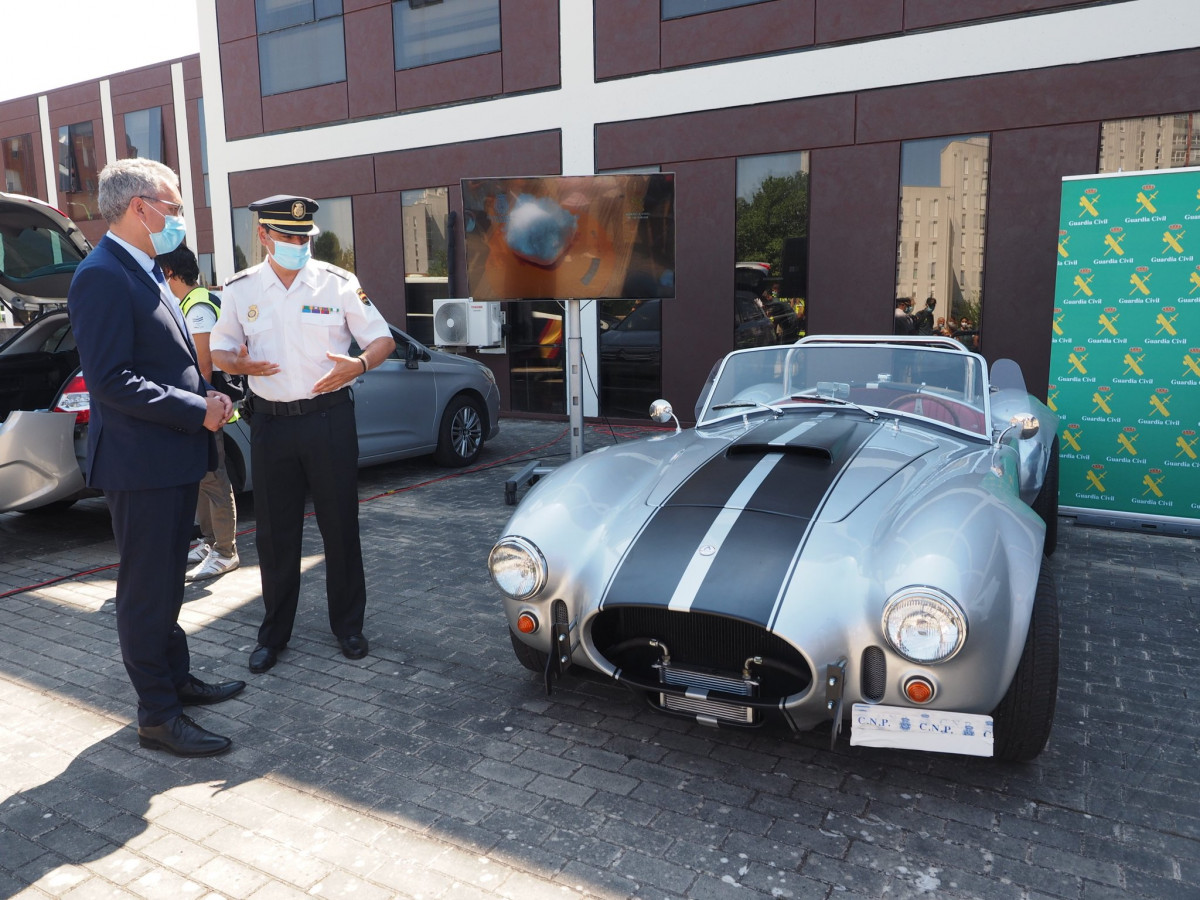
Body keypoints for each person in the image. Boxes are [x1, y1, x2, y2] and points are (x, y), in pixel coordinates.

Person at [67, 158, 244, 757]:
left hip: (168, 459)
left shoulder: (142, 268)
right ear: (139, 207)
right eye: (174, 206)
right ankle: (158, 716)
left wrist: (209, 395)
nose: (180, 217)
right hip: (141, 467)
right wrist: (196, 410)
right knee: (146, 592)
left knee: (167, 586)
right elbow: (111, 380)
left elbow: (167, 362)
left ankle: (175, 681)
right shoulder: (102, 275)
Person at [209, 195, 396, 674]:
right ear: (264, 236)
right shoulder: (241, 288)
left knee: (340, 526)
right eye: (288, 236)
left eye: (304, 236)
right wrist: (238, 364)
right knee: (275, 535)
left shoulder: (337, 282)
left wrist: (358, 364)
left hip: (328, 420)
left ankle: (348, 627)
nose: (298, 244)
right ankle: (273, 635)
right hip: (270, 424)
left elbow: (382, 339)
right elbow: (220, 350)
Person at [157, 243, 240, 581]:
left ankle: (225, 551)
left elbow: (203, 365)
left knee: (215, 477)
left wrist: (197, 409)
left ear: (169, 273)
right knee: (203, 476)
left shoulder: (198, 307)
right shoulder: (187, 303)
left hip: (206, 407)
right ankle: (209, 542)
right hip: (198, 407)